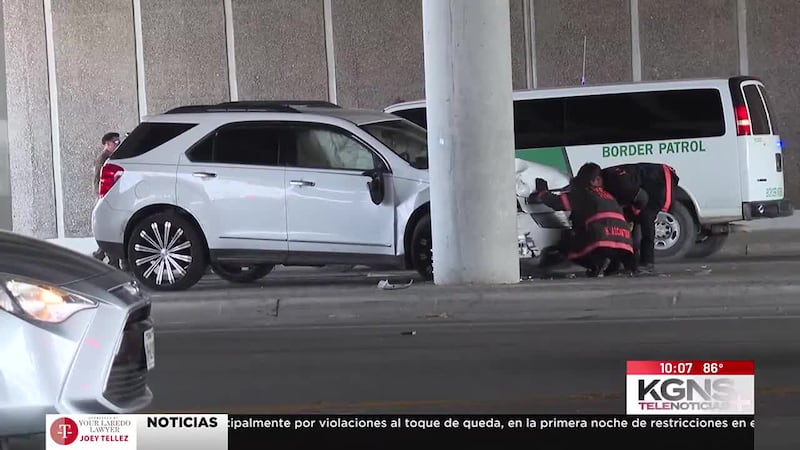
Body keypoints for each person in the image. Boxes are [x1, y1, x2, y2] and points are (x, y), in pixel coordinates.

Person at [529, 163, 637, 277]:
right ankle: (623, 267)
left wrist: (542, 191)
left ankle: (594, 265)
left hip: (601, 239)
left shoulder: (583, 193)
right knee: (615, 255)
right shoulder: (609, 196)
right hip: (625, 241)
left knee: (568, 246)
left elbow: (555, 202)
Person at [600, 163, 680, 274]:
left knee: (646, 217)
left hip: (660, 179)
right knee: (629, 223)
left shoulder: (617, 181)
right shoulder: (607, 180)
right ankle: (628, 262)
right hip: (644, 184)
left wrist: (635, 212)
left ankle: (647, 262)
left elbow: (642, 198)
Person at [92, 132, 122, 268]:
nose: (118, 144)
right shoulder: (104, 160)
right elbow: (98, 181)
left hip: (109, 198)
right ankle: (110, 259)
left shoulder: (112, 157)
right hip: (106, 199)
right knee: (109, 229)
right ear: (108, 144)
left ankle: (101, 255)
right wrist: (101, 198)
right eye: (115, 142)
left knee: (110, 228)